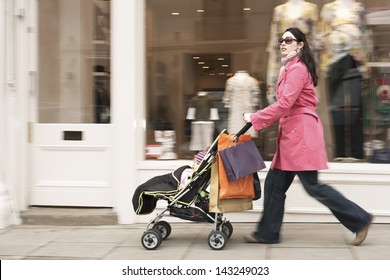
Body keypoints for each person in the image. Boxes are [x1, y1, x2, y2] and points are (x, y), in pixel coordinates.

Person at [242, 27, 372, 246]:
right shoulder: (289, 68)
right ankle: (267, 233)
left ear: (300, 45)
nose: (283, 43)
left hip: (301, 134)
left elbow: (284, 104)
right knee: (274, 184)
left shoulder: (298, 69)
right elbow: (285, 106)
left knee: (312, 186)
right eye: (281, 40)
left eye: (288, 40)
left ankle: (360, 219)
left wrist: (255, 118)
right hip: (292, 134)